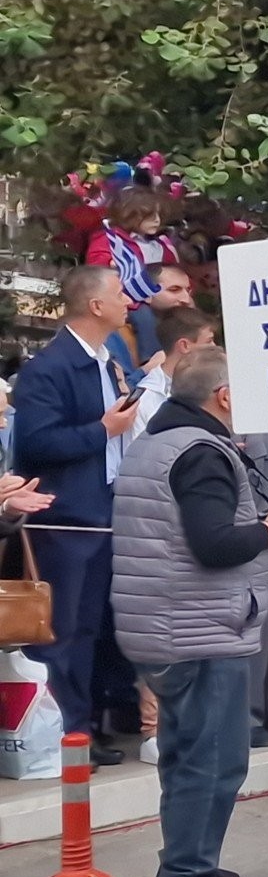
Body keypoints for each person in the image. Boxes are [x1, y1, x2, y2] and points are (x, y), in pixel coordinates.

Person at [108, 346, 268, 877]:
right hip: (198, 625)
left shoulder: (156, 444)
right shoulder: (202, 452)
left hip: (167, 623)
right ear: (225, 397)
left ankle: (189, 862)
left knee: (187, 752)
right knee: (214, 757)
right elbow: (215, 543)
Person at [14, 265, 139, 763]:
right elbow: (38, 442)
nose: (129, 301)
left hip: (106, 510)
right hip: (64, 516)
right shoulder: (49, 367)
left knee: (91, 628)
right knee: (60, 630)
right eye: (119, 293)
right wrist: (102, 430)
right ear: (94, 305)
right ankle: (62, 735)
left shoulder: (112, 358)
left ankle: (82, 728)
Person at [127, 305, 217, 434]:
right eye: (209, 341)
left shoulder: (214, 387)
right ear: (184, 345)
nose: (215, 347)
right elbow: (137, 453)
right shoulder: (145, 401)